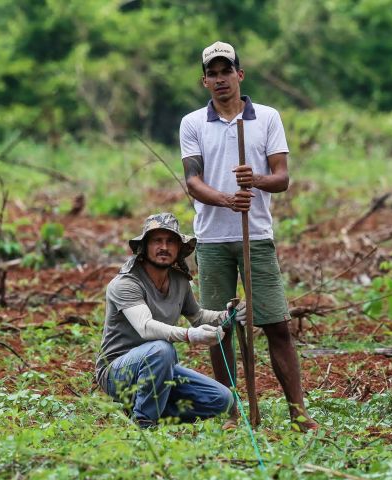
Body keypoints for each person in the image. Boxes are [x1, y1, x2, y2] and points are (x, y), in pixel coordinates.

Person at [179, 41, 319, 431]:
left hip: (255, 235)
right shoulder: (192, 123)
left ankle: (297, 411)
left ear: (240, 75)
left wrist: (254, 180)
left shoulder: (267, 118)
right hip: (210, 239)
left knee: (275, 323)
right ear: (204, 80)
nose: (220, 79)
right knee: (219, 327)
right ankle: (229, 411)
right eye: (213, 73)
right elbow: (192, 181)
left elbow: (282, 178)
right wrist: (226, 199)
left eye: (227, 71)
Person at [96, 212, 246, 427]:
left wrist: (228, 315)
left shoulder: (179, 281)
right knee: (161, 349)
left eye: (170, 241)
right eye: (157, 240)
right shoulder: (125, 284)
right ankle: (144, 421)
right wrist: (189, 335)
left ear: (179, 248)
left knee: (221, 399)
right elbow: (146, 328)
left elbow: (198, 316)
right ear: (145, 246)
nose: (164, 247)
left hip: (161, 367)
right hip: (118, 371)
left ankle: (143, 407)